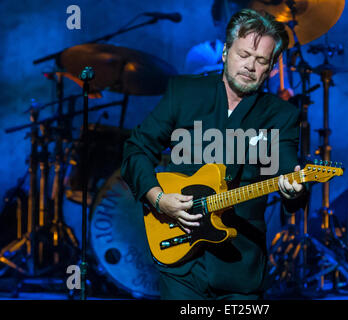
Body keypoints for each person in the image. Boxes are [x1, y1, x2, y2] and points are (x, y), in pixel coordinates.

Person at [121, 8, 308, 300]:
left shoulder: (280, 115)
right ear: (224, 52)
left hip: (240, 267)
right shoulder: (184, 93)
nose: (249, 66)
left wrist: (294, 189)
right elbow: (136, 149)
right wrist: (158, 197)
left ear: (272, 68)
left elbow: (287, 170)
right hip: (179, 259)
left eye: (260, 61)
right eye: (243, 54)